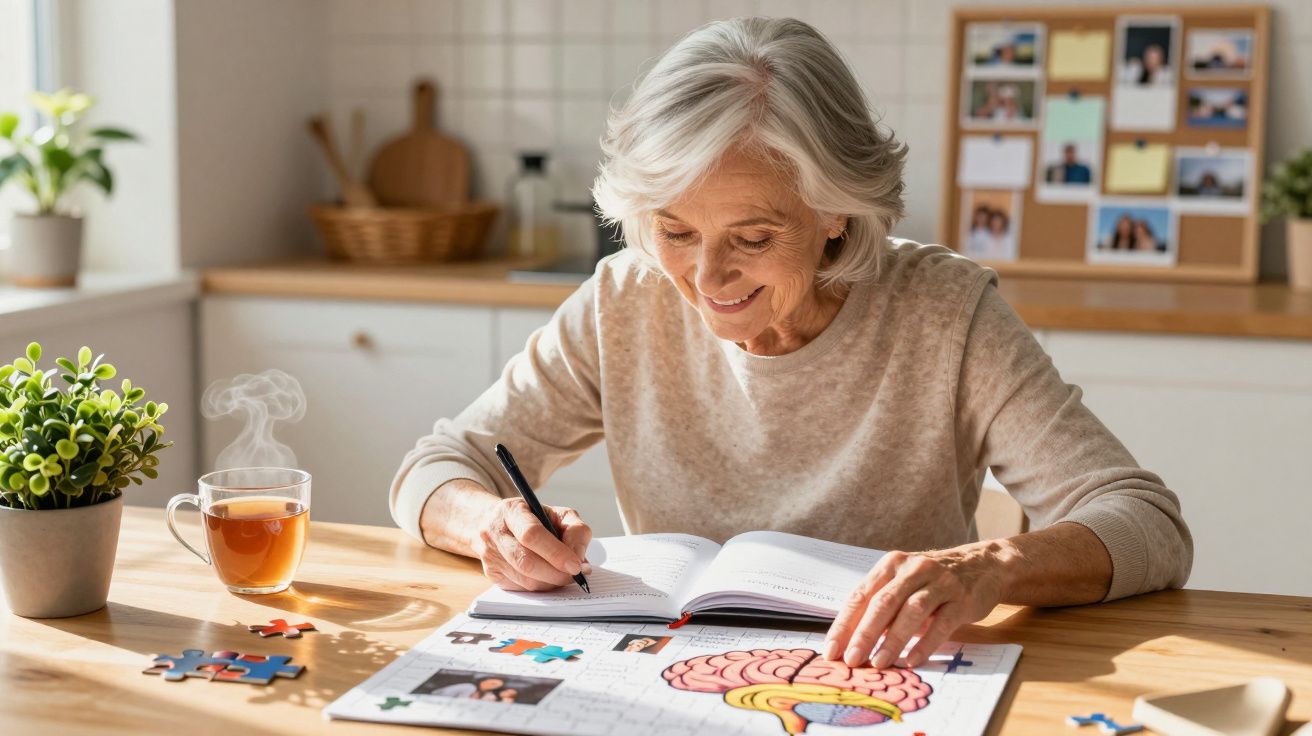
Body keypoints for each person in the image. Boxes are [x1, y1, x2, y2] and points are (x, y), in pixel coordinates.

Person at [392, 17, 1191, 672]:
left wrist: (984, 568)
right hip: (666, 678)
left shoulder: (945, 313)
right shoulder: (624, 297)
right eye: (674, 229)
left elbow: (1147, 523)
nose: (706, 274)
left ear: (837, 211)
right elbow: (436, 466)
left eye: (753, 234)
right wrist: (490, 525)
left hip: (883, 683)